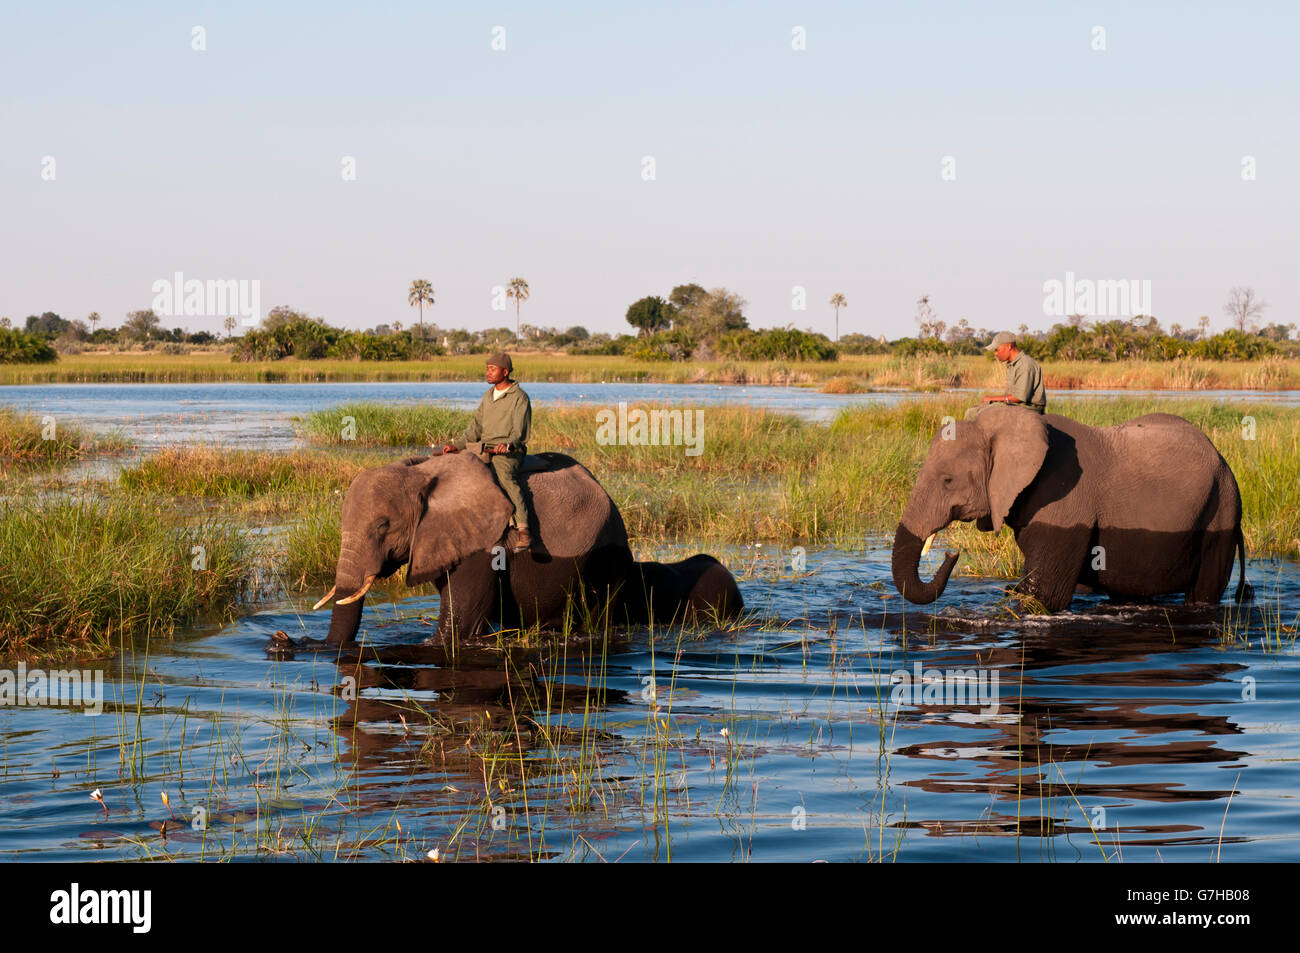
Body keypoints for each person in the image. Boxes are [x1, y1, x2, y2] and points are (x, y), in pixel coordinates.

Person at [441, 352, 534, 552]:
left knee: (504, 478)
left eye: (492, 369)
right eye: (487, 368)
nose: (488, 373)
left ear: (505, 371)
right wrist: (457, 445)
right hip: (484, 447)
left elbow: (520, 432)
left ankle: (523, 529)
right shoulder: (488, 395)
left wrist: (509, 445)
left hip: (509, 451)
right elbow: (475, 428)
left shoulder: (520, 397)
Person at [964, 331, 1046, 420]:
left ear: (1009, 346)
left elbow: (1019, 397)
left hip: (1029, 408)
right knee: (971, 411)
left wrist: (992, 398)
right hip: (1016, 405)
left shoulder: (1025, 365)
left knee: (978, 414)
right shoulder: (1013, 364)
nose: (995, 354)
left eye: (997, 349)